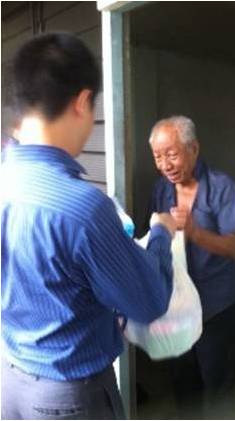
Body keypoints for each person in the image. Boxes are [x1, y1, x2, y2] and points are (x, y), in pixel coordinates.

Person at [1, 33, 177, 420]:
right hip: (67, 400)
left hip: (11, 382)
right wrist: (161, 232)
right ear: (82, 102)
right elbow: (148, 303)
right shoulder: (82, 208)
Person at [148, 115, 235, 419]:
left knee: (217, 383)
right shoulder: (161, 189)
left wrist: (194, 232)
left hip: (217, 305)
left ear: (194, 148)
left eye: (172, 154)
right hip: (178, 304)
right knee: (182, 378)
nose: (165, 164)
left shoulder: (221, 187)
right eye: (158, 156)